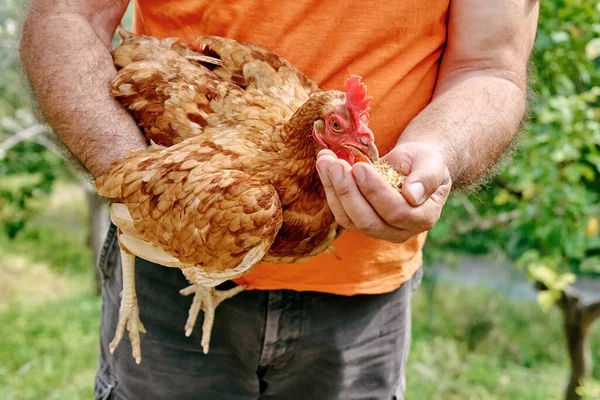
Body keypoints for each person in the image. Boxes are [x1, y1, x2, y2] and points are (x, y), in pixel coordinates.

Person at [19, 0, 539, 399]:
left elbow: (490, 66)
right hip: (171, 272)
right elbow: (69, 13)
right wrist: (146, 184)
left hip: (367, 295)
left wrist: (436, 154)